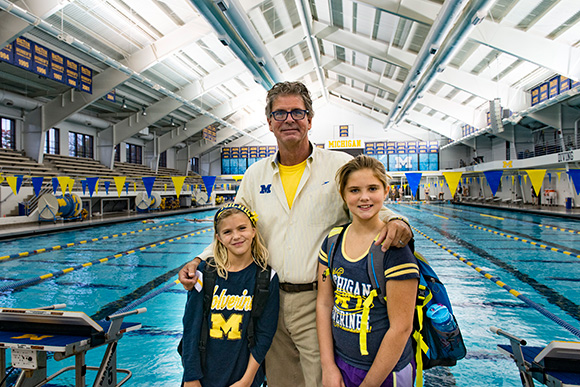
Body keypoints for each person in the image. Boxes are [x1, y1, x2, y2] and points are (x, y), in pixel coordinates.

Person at [179, 81, 413, 387]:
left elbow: (366, 204)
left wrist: (399, 222)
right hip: (268, 299)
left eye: (297, 112)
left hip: (318, 299)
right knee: (280, 381)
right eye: (280, 113)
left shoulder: (338, 165)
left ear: (310, 120)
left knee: (320, 380)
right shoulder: (255, 175)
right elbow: (234, 230)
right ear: (270, 123)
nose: (289, 119)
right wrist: (199, 260)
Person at [317, 155, 419, 387]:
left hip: (386, 372)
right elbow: (324, 303)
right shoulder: (333, 242)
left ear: (386, 191)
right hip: (342, 364)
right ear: (343, 195)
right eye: (354, 190)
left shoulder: (394, 250)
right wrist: (328, 366)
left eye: (372, 188)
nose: (364, 197)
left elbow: (401, 328)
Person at [181, 203, 279, 387]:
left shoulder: (266, 277)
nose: (236, 236)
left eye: (242, 228)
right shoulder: (204, 273)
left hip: (243, 375)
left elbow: (265, 334)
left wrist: (247, 380)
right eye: (227, 232)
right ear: (218, 238)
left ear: (253, 231)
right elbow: (191, 329)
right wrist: (191, 377)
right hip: (203, 376)